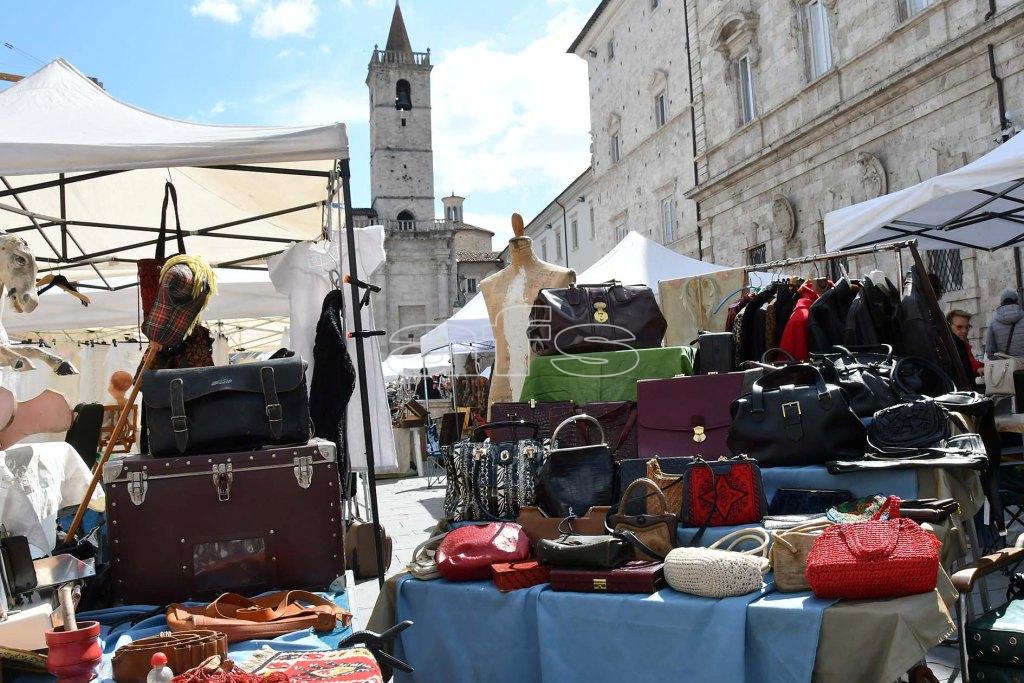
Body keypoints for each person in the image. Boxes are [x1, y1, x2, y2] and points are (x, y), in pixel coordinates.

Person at [985, 288, 1024, 357]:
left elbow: (989, 352)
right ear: (1017, 302)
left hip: (1006, 366)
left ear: (1001, 303)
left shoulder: (993, 323)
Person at [946, 309, 983, 377]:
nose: (964, 331)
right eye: (959, 327)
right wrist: (977, 368)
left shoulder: (963, 343)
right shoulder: (946, 345)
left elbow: (969, 360)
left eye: (967, 327)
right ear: (949, 326)